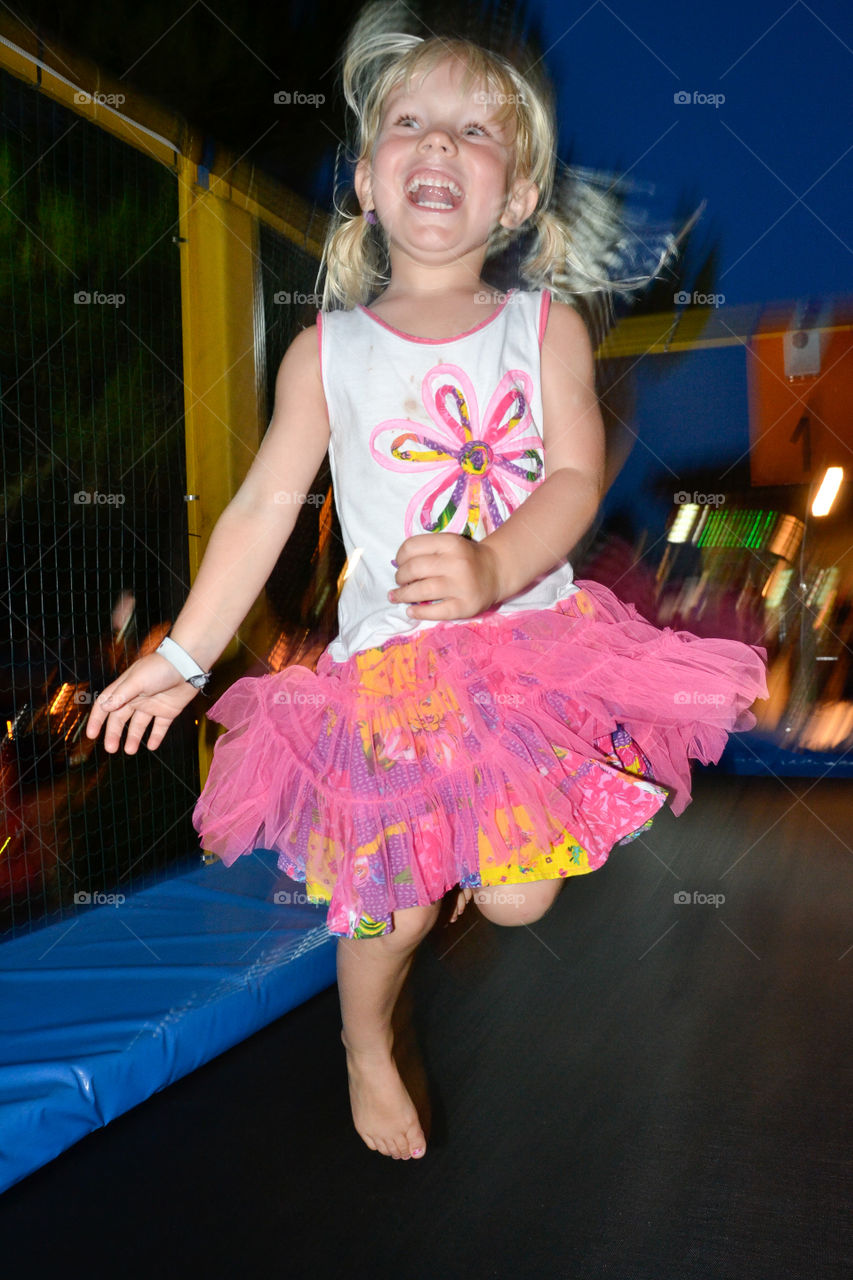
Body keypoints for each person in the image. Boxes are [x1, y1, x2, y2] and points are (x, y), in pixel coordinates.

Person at [85, 12, 768, 1163]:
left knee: (518, 898)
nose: (438, 145)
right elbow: (259, 509)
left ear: (516, 198)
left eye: (473, 131)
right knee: (389, 903)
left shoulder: (544, 328)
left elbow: (574, 476)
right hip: (394, 675)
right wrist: (185, 654)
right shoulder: (328, 353)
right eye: (410, 124)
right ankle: (363, 1037)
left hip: (525, 652)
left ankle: (462, 878)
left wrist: (498, 565)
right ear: (365, 178)